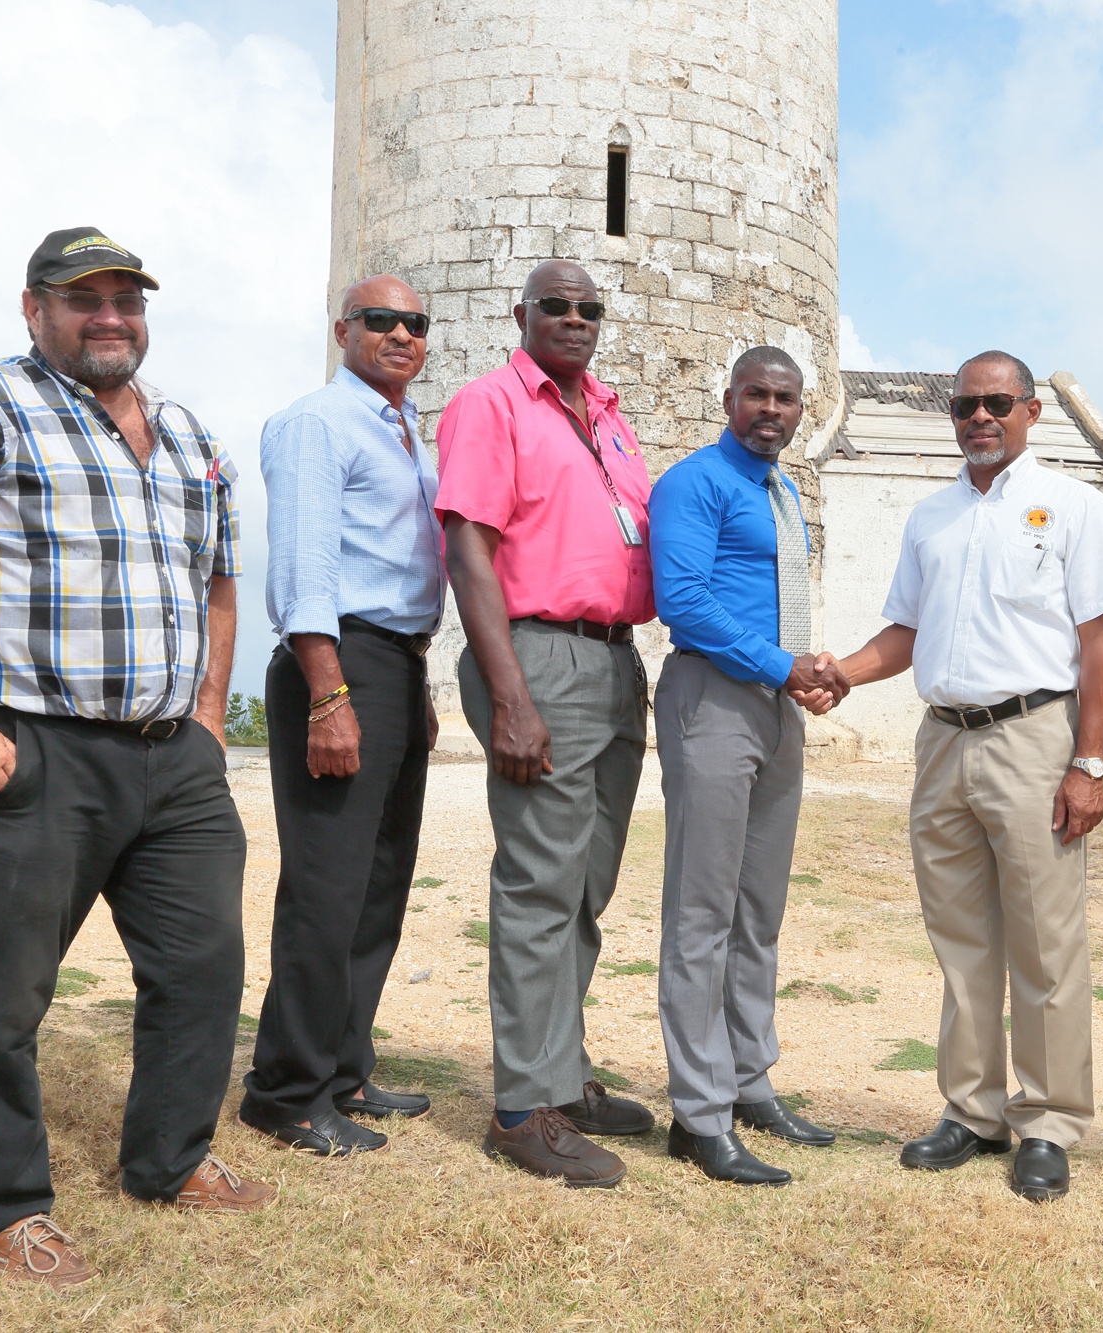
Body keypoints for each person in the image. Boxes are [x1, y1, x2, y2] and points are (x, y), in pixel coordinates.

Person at [0, 228, 273, 1289]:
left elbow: (219, 580)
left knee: (201, 971)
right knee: (4, 993)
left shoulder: (188, 434)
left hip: (171, 756)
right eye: (81, 296)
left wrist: (207, 717)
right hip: (38, 748)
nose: (108, 315)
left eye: (124, 298)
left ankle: (171, 1156)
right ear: (32, 307)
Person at [823, 350, 1103, 1202]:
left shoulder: (1072, 504)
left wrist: (1089, 761)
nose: (980, 417)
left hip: (1035, 735)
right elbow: (905, 632)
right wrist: (844, 671)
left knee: (1046, 939)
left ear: (1033, 411)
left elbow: (1101, 639)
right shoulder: (932, 516)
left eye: (998, 402)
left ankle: (1049, 1120)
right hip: (944, 741)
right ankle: (972, 1109)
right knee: (961, 941)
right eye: (965, 405)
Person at [436, 260, 660, 1187]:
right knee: (538, 883)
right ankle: (524, 1107)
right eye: (555, 306)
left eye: (589, 309)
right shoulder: (491, 404)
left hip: (614, 659)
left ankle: (560, 1074)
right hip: (538, 657)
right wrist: (511, 695)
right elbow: (468, 547)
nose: (574, 320)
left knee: (585, 885)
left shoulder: (608, 417)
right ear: (519, 313)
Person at [238, 276, 446, 1156]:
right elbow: (306, 566)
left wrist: (415, 683)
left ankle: (343, 1066)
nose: (401, 334)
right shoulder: (317, 422)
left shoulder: (404, 435)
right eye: (380, 320)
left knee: (379, 881)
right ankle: (285, 1091)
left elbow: (402, 573)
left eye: (416, 323)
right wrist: (330, 692)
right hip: (340, 661)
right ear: (342, 330)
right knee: (327, 885)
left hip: (393, 661)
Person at [646, 347, 850, 1186]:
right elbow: (682, 598)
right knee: (703, 911)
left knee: (757, 906)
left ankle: (746, 1081)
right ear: (729, 398)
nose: (772, 408)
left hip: (774, 704)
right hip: (716, 696)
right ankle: (697, 1115)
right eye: (757, 394)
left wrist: (798, 671)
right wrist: (780, 665)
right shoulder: (694, 482)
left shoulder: (784, 488)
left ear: (803, 408)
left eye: (786, 397)